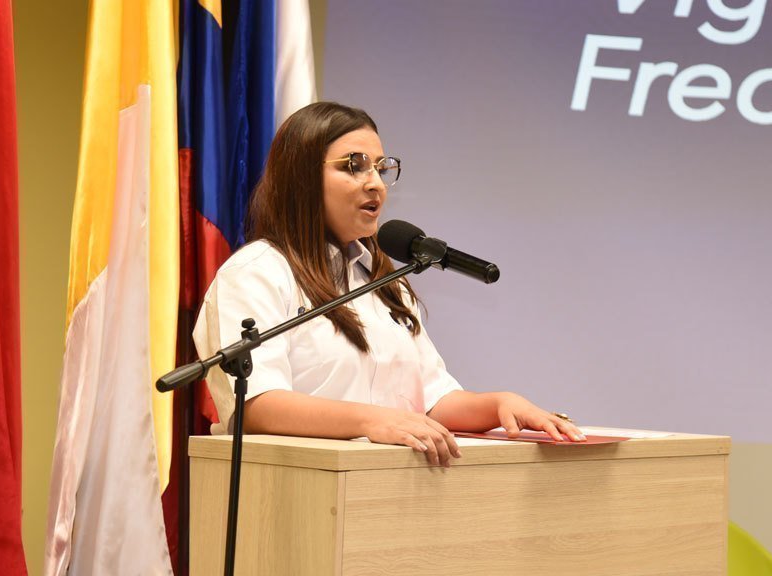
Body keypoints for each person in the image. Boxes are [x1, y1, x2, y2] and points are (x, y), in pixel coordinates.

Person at [192, 101, 584, 467]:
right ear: (301, 178)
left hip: (386, 492)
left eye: (381, 168)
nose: (375, 183)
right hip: (297, 495)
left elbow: (432, 401)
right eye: (354, 166)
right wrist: (372, 421)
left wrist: (500, 404)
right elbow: (256, 405)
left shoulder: (382, 281)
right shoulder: (257, 273)